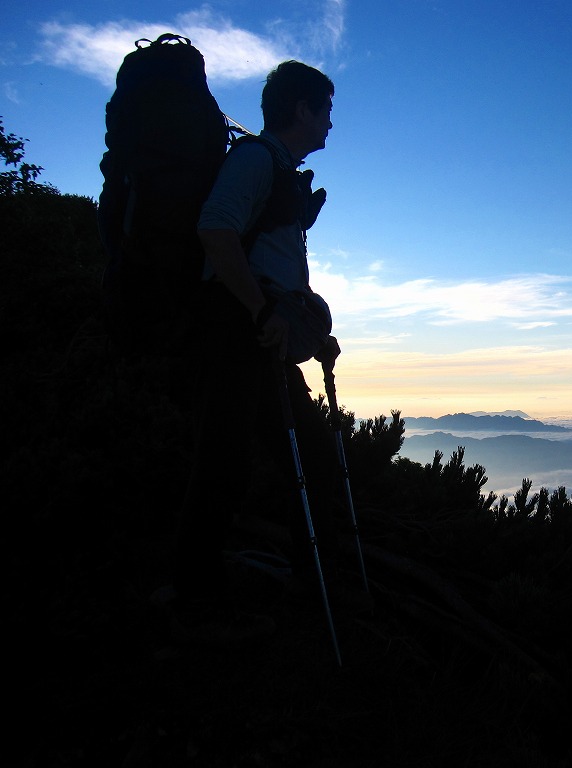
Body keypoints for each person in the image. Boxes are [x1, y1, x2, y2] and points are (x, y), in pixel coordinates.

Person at [165, 60, 345, 645]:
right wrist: (261, 313)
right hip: (234, 330)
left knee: (310, 456)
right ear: (302, 110)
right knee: (224, 461)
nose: (330, 125)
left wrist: (307, 329)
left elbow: (276, 266)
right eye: (326, 111)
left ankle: (310, 579)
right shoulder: (254, 161)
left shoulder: (280, 171)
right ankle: (192, 600)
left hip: (257, 332)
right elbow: (215, 232)